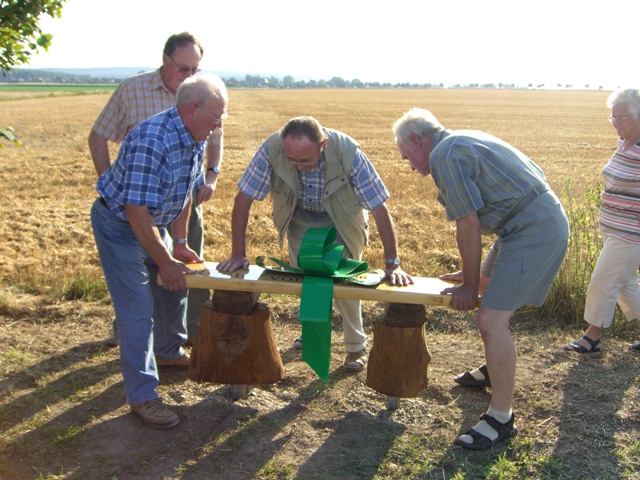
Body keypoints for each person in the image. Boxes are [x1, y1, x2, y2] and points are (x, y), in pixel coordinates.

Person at [392, 108, 569, 450]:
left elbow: (469, 225)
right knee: (488, 290)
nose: (410, 167)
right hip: (524, 221)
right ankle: (494, 368)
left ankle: (501, 417)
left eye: (406, 157)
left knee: (490, 320)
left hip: (533, 227)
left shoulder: (444, 155)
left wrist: (469, 285)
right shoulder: (460, 139)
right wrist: (473, 277)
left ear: (416, 140)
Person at [217, 116, 412, 372]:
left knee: (343, 279)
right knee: (307, 276)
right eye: (293, 160)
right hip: (299, 215)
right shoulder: (273, 148)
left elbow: (379, 208)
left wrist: (393, 263)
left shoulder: (348, 153)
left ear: (324, 145)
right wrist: (237, 254)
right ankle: (312, 334)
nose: (299, 166)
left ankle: (355, 346)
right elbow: (243, 199)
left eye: (306, 160)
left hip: (341, 217)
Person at [91, 74, 228, 428]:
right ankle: (142, 396)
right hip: (120, 227)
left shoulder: (194, 135)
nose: (219, 125)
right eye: (216, 117)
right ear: (191, 110)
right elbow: (135, 212)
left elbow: (184, 194)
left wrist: (179, 245)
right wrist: (164, 261)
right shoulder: (153, 140)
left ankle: (168, 353)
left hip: (154, 224)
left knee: (176, 284)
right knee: (137, 309)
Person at [88, 32, 222, 346]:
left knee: (183, 272)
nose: (189, 75)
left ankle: (183, 338)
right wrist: (115, 187)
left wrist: (211, 175)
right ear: (165, 60)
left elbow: (215, 137)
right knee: (137, 282)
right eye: (183, 68)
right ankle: (136, 339)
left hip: (182, 202)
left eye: (195, 69)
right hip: (138, 206)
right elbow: (98, 137)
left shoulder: (204, 94)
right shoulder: (132, 90)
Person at [564, 88, 640, 354]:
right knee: (626, 286)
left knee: (602, 281)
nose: (616, 123)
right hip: (611, 227)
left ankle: (592, 336)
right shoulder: (624, 143)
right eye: (613, 118)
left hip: (630, 233)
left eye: (622, 117)